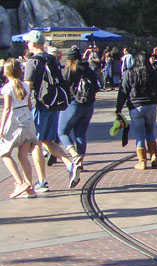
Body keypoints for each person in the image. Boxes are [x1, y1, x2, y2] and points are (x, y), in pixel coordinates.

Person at [23, 30, 79, 190]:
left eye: (29, 42)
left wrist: (25, 107)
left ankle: (42, 182)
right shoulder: (52, 59)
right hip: (53, 104)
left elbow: (27, 87)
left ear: (33, 43)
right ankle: (70, 164)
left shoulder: (32, 62)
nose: (27, 44)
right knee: (48, 140)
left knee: (35, 143)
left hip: (38, 106)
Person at [116, 50, 157, 170]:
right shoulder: (153, 73)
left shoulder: (130, 73)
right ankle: (154, 156)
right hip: (151, 106)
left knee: (139, 134)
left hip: (135, 107)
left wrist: (118, 108)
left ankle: (142, 161)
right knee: (150, 131)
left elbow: (123, 91)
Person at [57, 45, 98, 182]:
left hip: (73, 104)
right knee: (80, 134)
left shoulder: (68, 71)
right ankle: (81, 163)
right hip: (88, 106)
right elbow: (96, 87)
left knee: (62, 132)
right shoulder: (89, 70)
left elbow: (62, 88)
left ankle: (75, 156)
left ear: (69, 59)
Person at [1, 59, 41, 198]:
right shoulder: (24, 85)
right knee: (23, 155)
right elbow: (30, 105)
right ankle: (30, 188)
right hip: (27, 122)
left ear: (6, 72)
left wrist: (1, 128)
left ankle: (20, 183)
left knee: (4, 154)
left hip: (15, 122)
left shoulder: (7, 88)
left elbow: (7, 108)